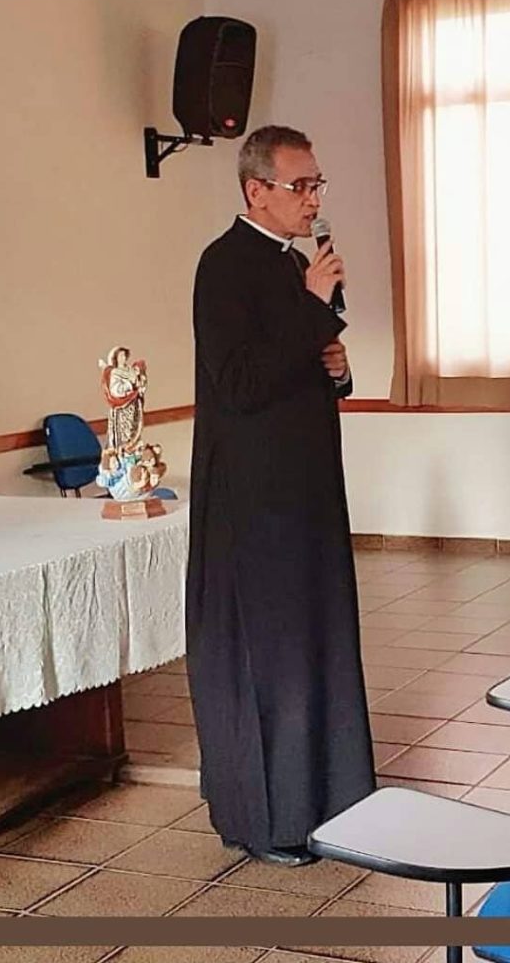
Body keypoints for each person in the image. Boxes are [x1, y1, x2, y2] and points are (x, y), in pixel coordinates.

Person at [185, 124, 375, 868]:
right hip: (254, 501)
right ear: (255, 190)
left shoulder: (296, 266)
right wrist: (312, 306)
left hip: (306, 490)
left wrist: (335, 365)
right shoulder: (223, 266)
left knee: (318, 642)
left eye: (318, 184)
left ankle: (333, 801)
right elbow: (238, 384)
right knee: (272, 659)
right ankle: (271, 822)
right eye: (301, 186)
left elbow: (303, 366)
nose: (313, 199)